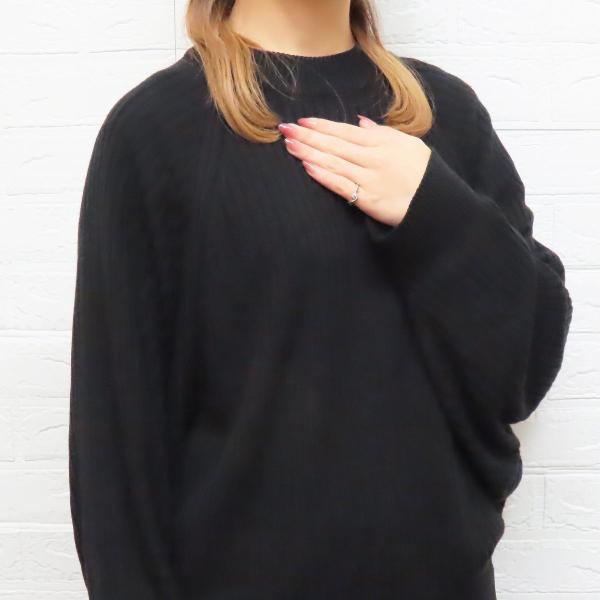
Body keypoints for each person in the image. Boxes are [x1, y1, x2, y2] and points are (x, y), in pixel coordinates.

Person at [68, 0, 573, 598]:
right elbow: (115, 448)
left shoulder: (447, 114)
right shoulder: (157, 130)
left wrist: (435, 210)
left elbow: (525, 368)